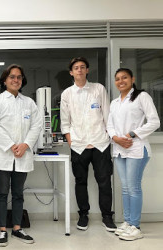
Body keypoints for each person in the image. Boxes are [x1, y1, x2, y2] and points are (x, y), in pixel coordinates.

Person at [60, 57, 117, 232]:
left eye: (82, 67)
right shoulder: (67, 94)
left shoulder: (98, 89)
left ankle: (107, 216)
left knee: (105, 182)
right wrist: (71, 141)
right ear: (71, 72)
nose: (79, 70)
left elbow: (108, 115)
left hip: (100, 143)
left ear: (87, 70)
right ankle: (83, 215)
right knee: (80, 182)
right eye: (76, 68)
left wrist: (108, 136)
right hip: (78, 145)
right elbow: (65, 122)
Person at [0, 64, 41, 247]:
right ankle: (2, 230)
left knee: (18, 194)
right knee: (2, 193)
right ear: (5, 80)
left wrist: (25, 145)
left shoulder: (29, 103)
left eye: (19, 77)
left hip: (22, 155)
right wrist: (11, 146)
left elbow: (36, 126)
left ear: (22, 80)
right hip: (3, 155)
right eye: (12, 77)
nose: (16, 80)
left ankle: (17, 228)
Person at [107, 68, 160, 241]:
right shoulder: (115, 102)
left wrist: (131, 134)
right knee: (125, 187)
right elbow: (110, 125)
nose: (121, 81)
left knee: (133, 187)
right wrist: (116, 138)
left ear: (132, 79)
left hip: (136, 148)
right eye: (117, 79)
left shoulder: (141, 96)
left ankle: (135, 226)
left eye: (124, 78)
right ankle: (128, 222)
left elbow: (154, 121)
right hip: (120, 148)